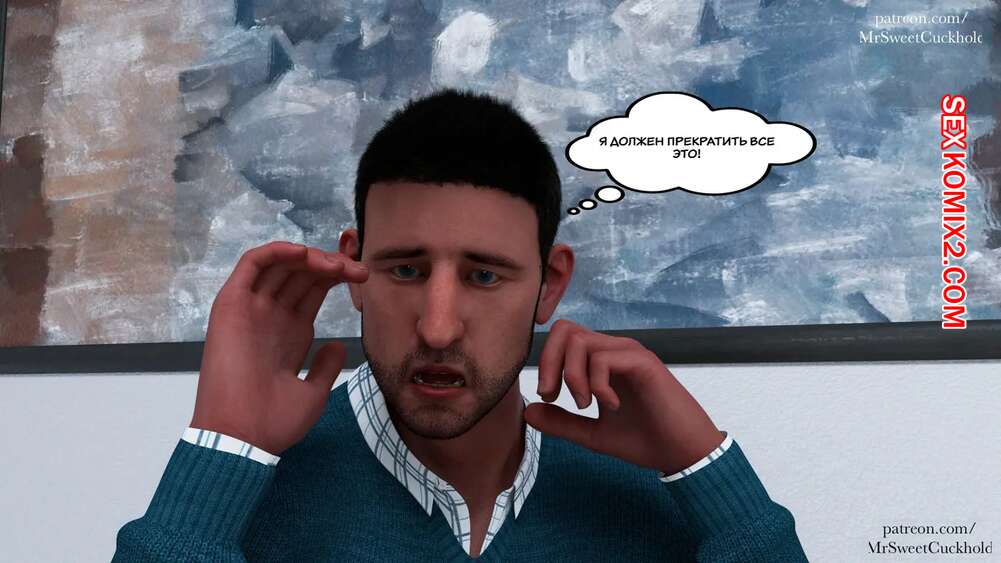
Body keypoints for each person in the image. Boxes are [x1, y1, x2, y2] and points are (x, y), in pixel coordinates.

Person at [114, 88, 809, 562]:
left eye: (483, 276)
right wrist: (223, 447)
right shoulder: (243, 494)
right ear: (352, 268)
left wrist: (705, 465)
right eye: (405, 270)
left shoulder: (641, 496)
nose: (439, 329)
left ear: (550, 283)